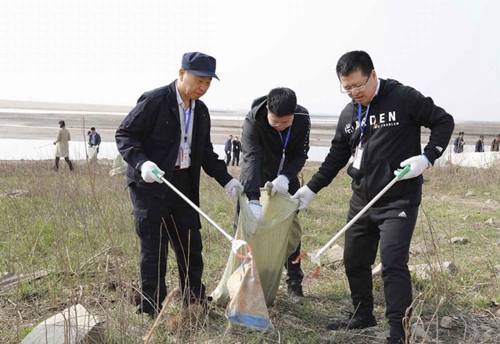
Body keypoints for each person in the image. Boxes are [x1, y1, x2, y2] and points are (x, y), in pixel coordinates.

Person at [291, 51, 454, 343]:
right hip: (361, 200)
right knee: (354, 260)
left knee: (392, 264)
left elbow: (444, 121)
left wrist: (426, 158)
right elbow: (336, 157)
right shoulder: (349, 114)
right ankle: (362, 314)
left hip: (398, 199)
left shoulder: (403, 98)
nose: (354, 93)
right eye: (347, 87)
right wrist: (311, 188)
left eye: (358, 85)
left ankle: (397, 332)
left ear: (373, 76)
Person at [115, 51, 243, 317]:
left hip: (183, 184)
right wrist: (142, 163)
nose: (203, 87)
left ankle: (194, 303)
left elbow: (205, 153)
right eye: (199, 80)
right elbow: (125, 135)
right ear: (181, 73)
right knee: (154, 249)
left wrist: (227, 180)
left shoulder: (202, 112)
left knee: (190, 245)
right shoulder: (154, 101)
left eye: (208, 83)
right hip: (151, 185)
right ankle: (150, 308)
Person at [239, 87, 310, 302]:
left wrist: (286, 177)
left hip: (284, 180)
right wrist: (253, 199)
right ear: (268, 110)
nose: (280, 127)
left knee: (290, 231)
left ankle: (294, 282)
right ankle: (245, 280)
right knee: (246, 230)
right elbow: (251, 158)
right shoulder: (253, 120)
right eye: (275, 122)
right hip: (255, 176)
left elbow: (299, 153)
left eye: (285, 123)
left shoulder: (302, 118)